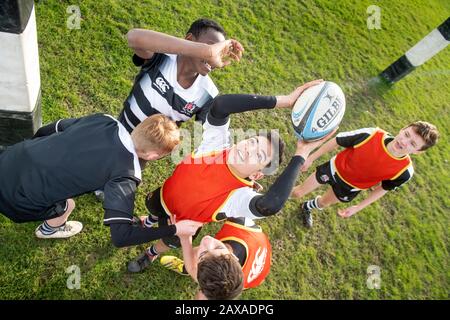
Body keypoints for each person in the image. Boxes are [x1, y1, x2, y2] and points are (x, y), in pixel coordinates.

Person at [127, 79, 336, 272]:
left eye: (259, 154)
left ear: (257, 174)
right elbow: (220, 105)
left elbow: (270, 205)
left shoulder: (239, 196)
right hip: (163, 196)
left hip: (182, 225)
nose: (249, 149)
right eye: (252, 142)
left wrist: (301, 154)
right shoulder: (217, 145)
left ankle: (150, 254)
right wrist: (284, 101)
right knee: (153, 210)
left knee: (166, 240)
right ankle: (148, 221)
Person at [0, 113, 201, 245]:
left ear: (139, 127)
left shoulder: (106, 120)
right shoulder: (126, 173)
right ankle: (49, 229)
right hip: (16, 199)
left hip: (10, 157)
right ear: (153, 156)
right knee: (68, 205)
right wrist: (176, 228)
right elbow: (121, 237)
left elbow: (50, 130)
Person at [291, 122, 439, 228]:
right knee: (297, 192)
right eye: (406, 135)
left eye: (413, 144)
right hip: (333, 169)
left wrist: (358, 207)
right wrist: (311, 158)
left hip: (350, 188)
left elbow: (382, 189)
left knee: (323, 203)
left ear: (418, 151)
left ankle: (307, 207)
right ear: (402, 129)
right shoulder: (372, 134)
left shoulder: (405, 172)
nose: (404, 142)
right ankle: (269, 201)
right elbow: (337, 141)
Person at [119, 18, 244, 132]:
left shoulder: (208, 93)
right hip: (119, 129)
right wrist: (206, 51)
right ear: (189, 40)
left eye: (219, 52)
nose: (214, 56)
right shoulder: (162, 57)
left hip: (145, 152)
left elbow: (212, 134)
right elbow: (133, 38)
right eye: (213, 47)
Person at [160, 217, 272, 300]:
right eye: (218, 247)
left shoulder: (222, 285)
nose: (207, 239)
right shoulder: (241, 223)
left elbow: (192, 268)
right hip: (259, 248)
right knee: (196, 257)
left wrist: (185, 238)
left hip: (252, 278)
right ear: (232, 257)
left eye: (203, 255)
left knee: (203, 297)